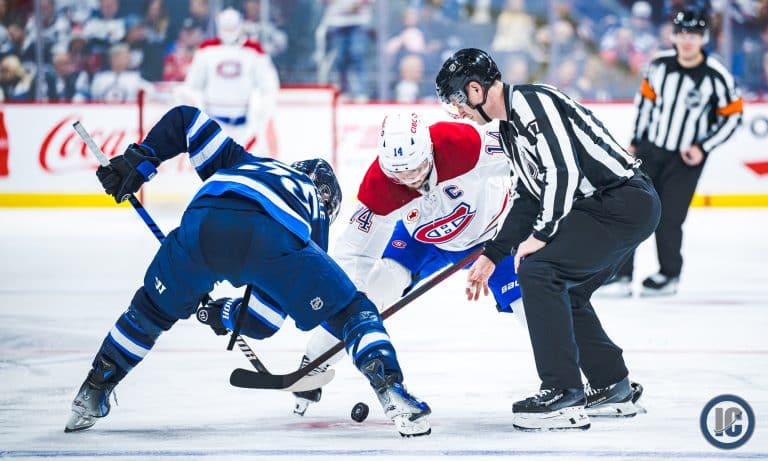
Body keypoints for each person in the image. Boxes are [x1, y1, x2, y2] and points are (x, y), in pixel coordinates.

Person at [64, 105, 431, 438]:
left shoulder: (245, 162)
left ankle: (92, 391)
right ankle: (391, 390)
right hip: (271, 234)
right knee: (353, 311)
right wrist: (221, 313)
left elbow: (185, 119)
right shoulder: (314, 213)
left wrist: (142, 159)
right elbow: (264, 320)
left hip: (200, 222)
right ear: (328, 201)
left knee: (149, 311)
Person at [436, 48, 661, 430]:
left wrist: (541, 235)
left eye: (458, 101)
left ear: (475, 89)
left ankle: (562, 392)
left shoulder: (532, 101)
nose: (458, 111)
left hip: (623, 202)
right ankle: (612, 384)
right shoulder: (508, 129)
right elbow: (527, 196)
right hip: (606, 207)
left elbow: (562, 172)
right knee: (564, 289)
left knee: (539, 271)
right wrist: (492, 254)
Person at [292, 111, 525, 416]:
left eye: (416, 168)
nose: (411, 179)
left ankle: (570, 380)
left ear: (430, 150)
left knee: (531, 302)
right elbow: (353, 254)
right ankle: (313, 364)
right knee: (378, 287)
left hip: (493, 236)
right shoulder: (379, 185)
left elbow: (531, 156)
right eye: (399, 175)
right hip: (422, 239)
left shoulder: (464, 143)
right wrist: (345, 302)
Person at [600, 8, 743, 297]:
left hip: (685, 159)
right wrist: (635, 141)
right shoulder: (659, 65)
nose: (687, 40)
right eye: (682, 33)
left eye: (693, 34)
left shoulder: (716, 75)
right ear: (674, 36)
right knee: (633, 209)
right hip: (651, 150)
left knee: (669, 218)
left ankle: (669, 274)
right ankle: (622, 274)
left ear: (703, 38)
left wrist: (703, 147)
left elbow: (733, 116)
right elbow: (645, 105)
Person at [178, 8, 280, 155]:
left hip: (243, 124)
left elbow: (269, 85)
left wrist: (262, 112)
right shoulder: (206, 50)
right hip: (214, 122)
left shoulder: (254, 51)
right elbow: (192, 85)